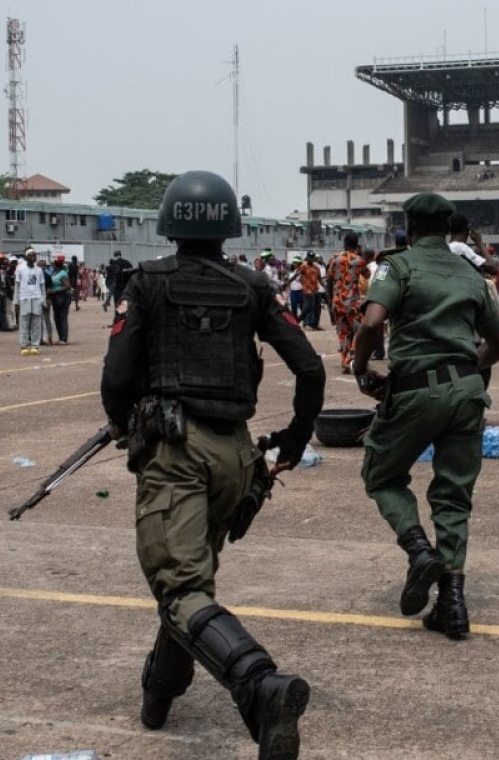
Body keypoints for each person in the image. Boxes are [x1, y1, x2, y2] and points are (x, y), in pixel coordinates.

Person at [101, 170, 325, 758]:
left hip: (176, 453)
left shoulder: (146, 283)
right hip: (237, 457)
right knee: (192, 581)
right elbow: (311, 368)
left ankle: (258, 684)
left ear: (170, 224)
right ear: (229, 226)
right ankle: (160, 688)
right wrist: (294, 443)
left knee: (179, 587)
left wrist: (125, 423)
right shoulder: (253, 286)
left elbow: (118, 374)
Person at [353, 192, 499, 639]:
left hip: (415, 390)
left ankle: (418, 549)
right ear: (447, 227)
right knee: (454, 497)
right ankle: (453, 605)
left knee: (381, 476)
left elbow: (370, 322)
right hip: (468, 391)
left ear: (409, 227)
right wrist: (461, 371)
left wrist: (362, 367)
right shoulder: (471, 274)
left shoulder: (396, 266)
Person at [324, 233, 369, 373]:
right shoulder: (359, 260)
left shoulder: (335, 259)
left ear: (344, 243)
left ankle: (344, 360)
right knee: (360, 329)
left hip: (337, 302)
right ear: (356, 245)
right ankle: (351, 355)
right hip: (352, 302)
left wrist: (330, 301)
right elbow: (366, 275)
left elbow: (329, 279)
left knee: (343, 333)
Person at [16, 248, 45, 356]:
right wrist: (16, 302)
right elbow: (17, 287)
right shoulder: (20, 269)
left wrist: (43, 300)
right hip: (24, 298)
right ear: (26, 257)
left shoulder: (39, 270)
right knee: (24, 323)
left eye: (35, 255)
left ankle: (34, 345)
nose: (33, 256)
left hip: (36, 298)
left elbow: (42, 286)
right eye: (31, 255)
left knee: (36, 323)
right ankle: (24, 345)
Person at [48, 254, 73, 345]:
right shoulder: (54, 273)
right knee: (56, 318)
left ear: (56, 266)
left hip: (64, 297)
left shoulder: (63, 274)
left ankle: (64, 338)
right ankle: (60, 337)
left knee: (62, 317)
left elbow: (67, 286)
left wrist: (54, 290)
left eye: (53, 265)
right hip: (56, 298)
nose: (52, 267)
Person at [296, 251, 323, 330]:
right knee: (309, 306)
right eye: (309, 257)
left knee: (318, 308)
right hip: (307, 290)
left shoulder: (316, 267)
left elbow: (320, 279)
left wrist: (325, 286)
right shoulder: (303, 266)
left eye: (312, 257)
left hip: (315, 290)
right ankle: (298, 320)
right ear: (307, 257)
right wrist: (287, 282)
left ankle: (315, 324)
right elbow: (296, 275)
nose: (311, 259)